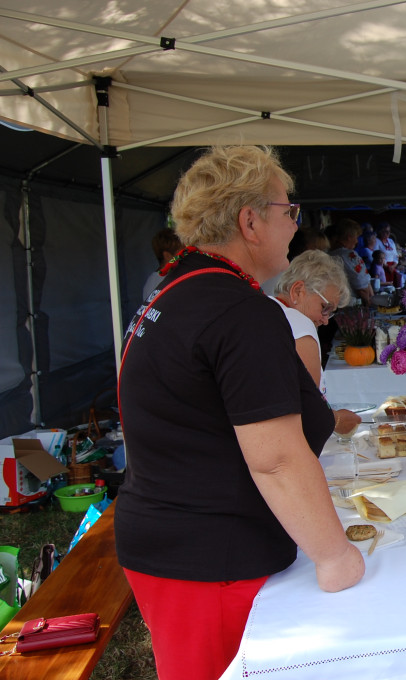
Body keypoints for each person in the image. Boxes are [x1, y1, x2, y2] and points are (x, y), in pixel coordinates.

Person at [116, 146, 365, 680]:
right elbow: (274, 459)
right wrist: (334, 554)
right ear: (249, 221)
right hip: (209, 558)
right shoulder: (240, 311)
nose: (295, 227)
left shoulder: (177, 288)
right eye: (288, 213)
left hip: (172, 541)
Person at [272, 250, 362, 435]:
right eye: (324, 308)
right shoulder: (300, 325)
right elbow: (309, 409)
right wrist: (336, 420)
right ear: (298, 291)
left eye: (331, 311)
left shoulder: (267, 308)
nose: (326, 320)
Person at [328, 218, 373, 307]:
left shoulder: (329, 254)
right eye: (356, 237)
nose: (356, 241)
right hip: (352, 306)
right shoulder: (348, 255)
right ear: (349, 237)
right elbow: (362, 287)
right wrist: (369, 303)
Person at [141, 227, 182, 301]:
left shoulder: (151, 281)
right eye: (181, 253)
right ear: (167, 256)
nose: (186, 255)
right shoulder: (164, 282)